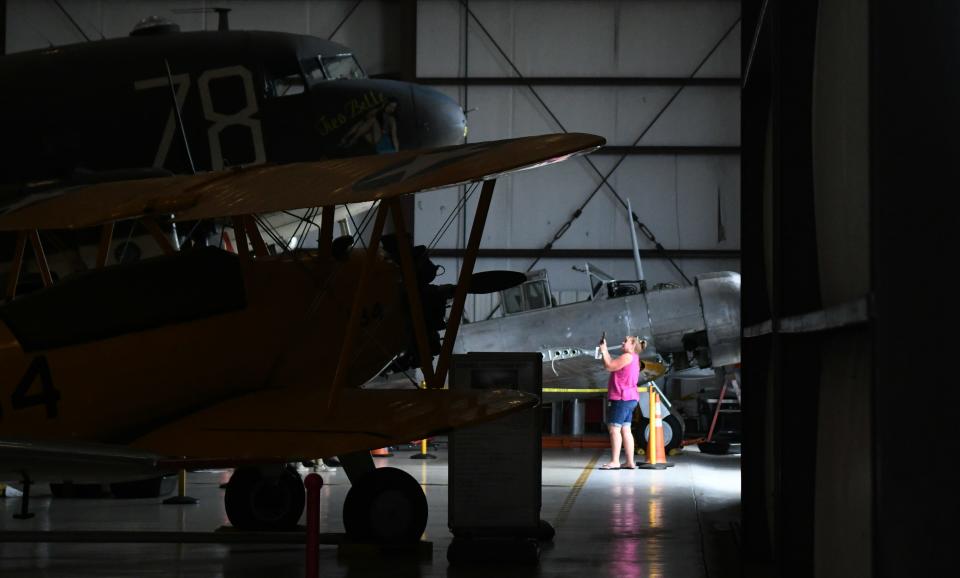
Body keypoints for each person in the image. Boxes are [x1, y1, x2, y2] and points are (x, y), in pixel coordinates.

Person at [598, 335, 646, 469]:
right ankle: (630, 462)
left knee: (614, 429)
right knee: (626, 429)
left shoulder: (627, 356)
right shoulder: (635, 358)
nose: (622, 342)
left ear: (632, 346)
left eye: (625, 341)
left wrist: (604, 350)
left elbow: (609, 366)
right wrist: (605, 352)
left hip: (621, 398)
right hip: (631, 398)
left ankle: (615, 461)